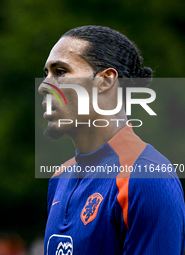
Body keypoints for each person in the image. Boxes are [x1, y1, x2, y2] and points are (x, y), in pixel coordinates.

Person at [38, 25, 185, 254]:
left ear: (106, 81)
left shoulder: (146, 177)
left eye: (60, 72)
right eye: (46, 73)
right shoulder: (60, 177)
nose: (43, 86)